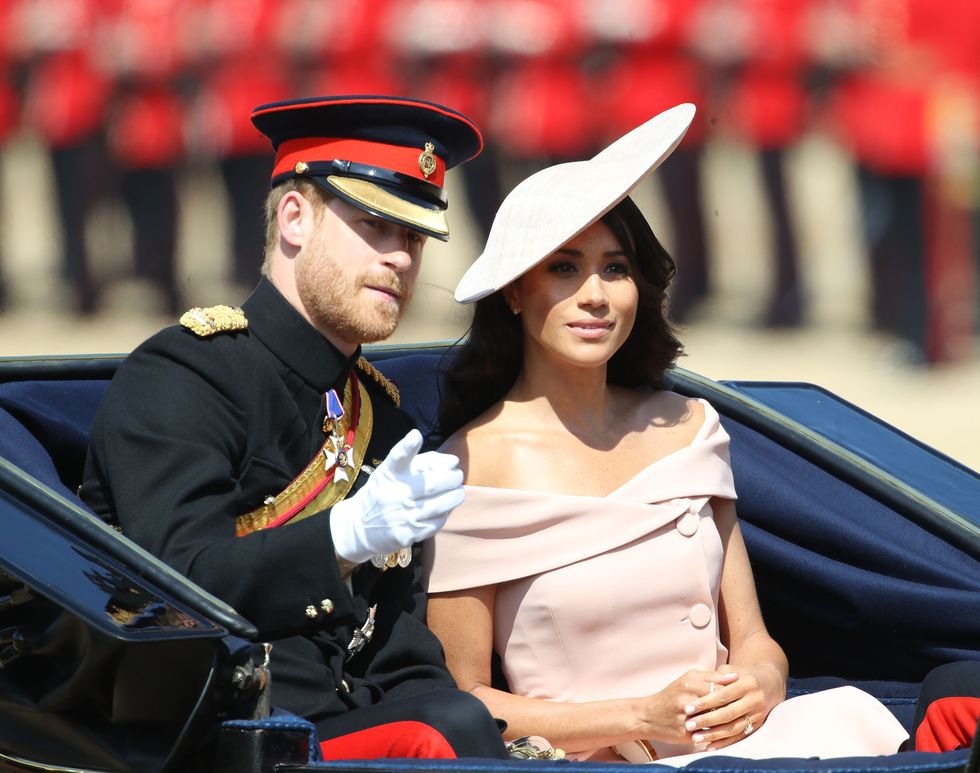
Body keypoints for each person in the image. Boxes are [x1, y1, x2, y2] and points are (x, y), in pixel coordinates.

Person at [424, 104, 908, 764]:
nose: (595, 294)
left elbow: (755, 640)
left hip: (749, 745)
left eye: (615, 268)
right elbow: (462, 704)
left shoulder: (688, 426)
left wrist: (761, 683)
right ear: (514, 291)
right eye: (564, 268)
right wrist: (638, 714)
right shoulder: (468, 465)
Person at [80, 95, 507, 762]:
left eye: (415, 238)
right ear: (294, 217)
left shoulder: (381, 416)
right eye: (375, 225)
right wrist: (341, 537)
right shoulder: (187, 374)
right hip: (218, 738)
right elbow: (177, 586)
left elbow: (400, 659)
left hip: (340, 731)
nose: (401, 258)